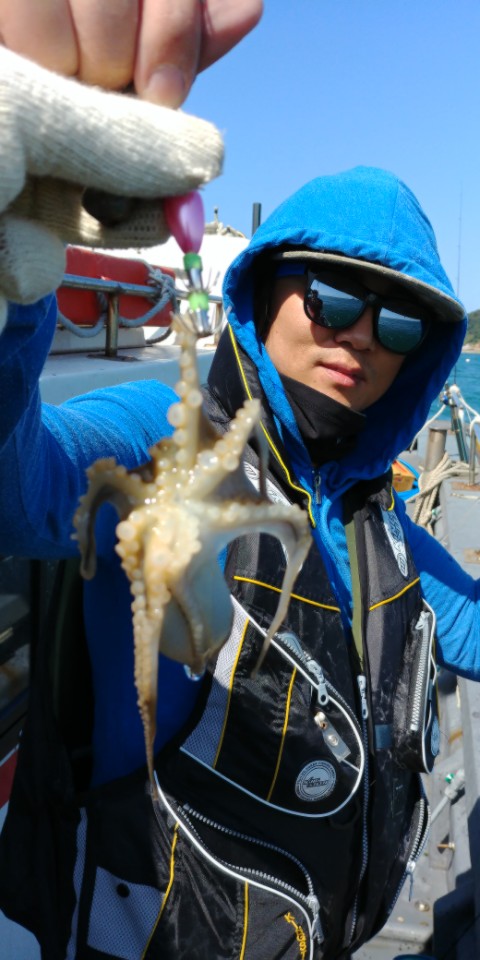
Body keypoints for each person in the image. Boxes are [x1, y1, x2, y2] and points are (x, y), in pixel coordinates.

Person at [0, 13, 479, 960]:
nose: (360, 337)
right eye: (333, 298)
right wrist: (15, 302)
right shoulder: (165, 432)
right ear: (264, 293)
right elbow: (24, 490)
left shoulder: (374, 514)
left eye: (398, 326)